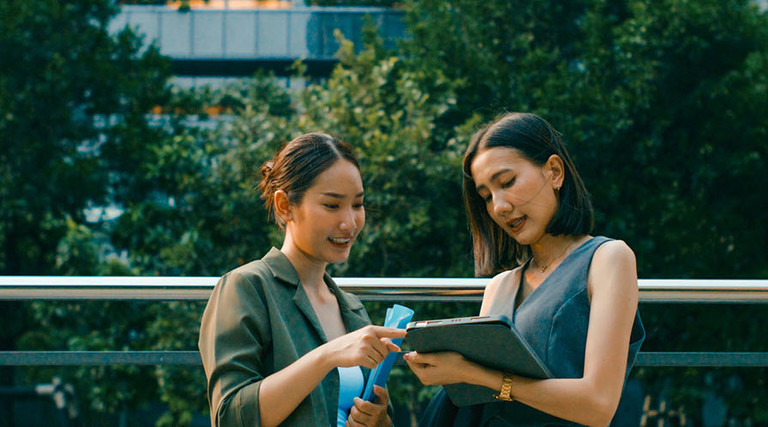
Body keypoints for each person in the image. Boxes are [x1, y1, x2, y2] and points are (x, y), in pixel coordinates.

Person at [405, 113, 645, 426]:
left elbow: (598, 404)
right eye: (486, 196)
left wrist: (474, 373)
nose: (499, 207)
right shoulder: (500, 286)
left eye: (507, 183)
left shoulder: (608, 258)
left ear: (555, 172)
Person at [198, 132, 405, 427]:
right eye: (332, 206)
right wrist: (327, 355)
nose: (349, 222)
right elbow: (231, 416)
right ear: (285, 206)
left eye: (357, 205)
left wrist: (379, 419)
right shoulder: (247, 287)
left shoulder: (352, 308)